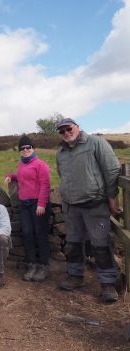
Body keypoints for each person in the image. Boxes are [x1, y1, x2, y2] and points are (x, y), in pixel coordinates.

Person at [55, 118, 121, 303]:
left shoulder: (96, 143)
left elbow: (112, 169)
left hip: (94, 203)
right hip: (71, 205)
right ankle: (75, 276)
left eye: (69, 128)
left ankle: (108, 283)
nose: (66, 133)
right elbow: (62, 174)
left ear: (77, 127)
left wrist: (111, 196)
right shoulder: (60, 152)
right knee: (73, 243)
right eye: (62, 131)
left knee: (100, 244)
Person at [4, 135, 51, 282]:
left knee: (40, 234)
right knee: (27, 233)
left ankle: (43, 266)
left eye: (28, 147)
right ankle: (31, 265)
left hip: (38, 204)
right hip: (25, 204)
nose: (25, 150)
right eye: (22, 148)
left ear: (33, 148)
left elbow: (45, 184)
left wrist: (42, 204)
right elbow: (20, 176)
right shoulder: (21, 164)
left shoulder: (40, 164)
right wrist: (10, 176)